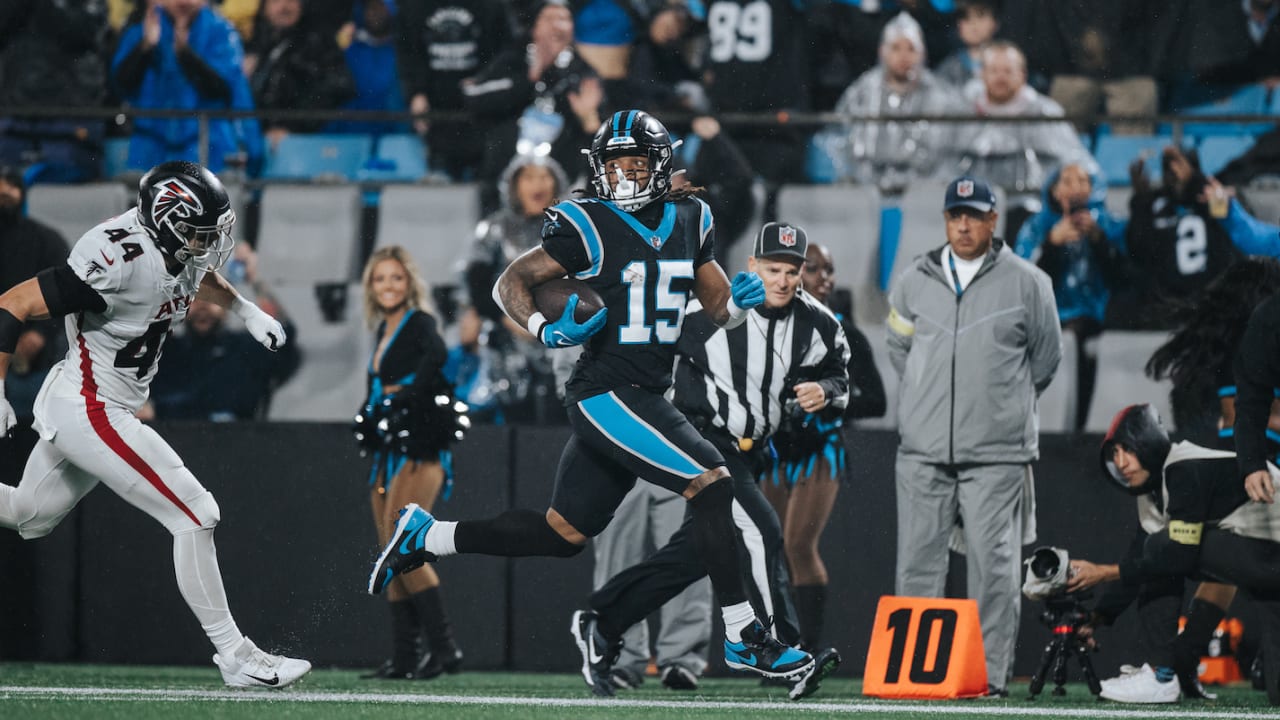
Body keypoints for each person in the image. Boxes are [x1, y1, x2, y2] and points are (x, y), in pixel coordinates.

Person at [366, 109, 818, 691]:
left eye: (636, 163)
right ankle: (742, 634)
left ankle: (428, 537)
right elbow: (512, 282)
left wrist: (740, 305)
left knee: (562, 535)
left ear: (660, 165)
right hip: (605, 388)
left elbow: (716, 310)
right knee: (714, 483)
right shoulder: (588, 222)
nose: (626, 176)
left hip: (646, 389)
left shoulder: (691, 216)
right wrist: (541, 327)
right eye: (614, 164)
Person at [0, 160, 310, 688]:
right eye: (198, 233)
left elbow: (196, 275)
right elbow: (14, 302)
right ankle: (237, 656)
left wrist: (246, 311)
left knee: (31, 514)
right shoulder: (116, 257)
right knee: (196, 512)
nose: (208, 244)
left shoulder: (176, 247)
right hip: (91, 405)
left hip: (98, 401)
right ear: (166, 222)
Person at [582, 223, 852, 700]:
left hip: (754, 451)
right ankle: (781, 652)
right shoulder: (707, 311)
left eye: (793, 270)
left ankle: (604, 620)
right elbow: (642, 347)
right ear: (752, 267)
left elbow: (841, 376)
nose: (784, 280)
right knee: (762, 530)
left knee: (698, 554)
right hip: (703, 441)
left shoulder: (820, 323)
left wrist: (824, 390)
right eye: (774, 269)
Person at [886, 175, 1062, 696]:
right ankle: (915, 675)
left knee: (995, 569)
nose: (963, 224)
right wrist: (928, 398)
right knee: (917, 565)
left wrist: (998, 407)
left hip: (997, 453)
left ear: (993, 221)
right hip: (922, 450)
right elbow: (899, 349)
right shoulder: (913, 280)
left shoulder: (1029, 282)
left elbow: (1045, 362)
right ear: (946, 220)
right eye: (955, 215)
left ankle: (989, 678)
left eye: (974, 215)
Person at [1067, 404, 1280, 705]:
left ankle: (1161, 674)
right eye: (1114, 454)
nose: (1121, 462)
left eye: (1127, 448)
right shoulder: (1153, 490)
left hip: (1271, 556)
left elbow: (1172, 557)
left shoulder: (1183, 468)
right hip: (1267, 572)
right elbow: (1137, 559)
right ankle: (1182, 662)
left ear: (1148, 440)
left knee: (1165, 549)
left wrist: (1101, 572)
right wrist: (1097, 618)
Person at [760, 240, 885, 653]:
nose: (823, 279)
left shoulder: (844, 331)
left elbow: (877, 400)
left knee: (798, 543)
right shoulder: (770, 326)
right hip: (777, 450)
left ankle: (808, 648)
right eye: (813, 269)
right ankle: (781, 645)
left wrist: (828, 400)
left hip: (820, 448)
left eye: (827, 271)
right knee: (771, 545)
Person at [355, 245, 464, 680]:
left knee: (405, 546)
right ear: (370, 287)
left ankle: (444, 649)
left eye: (396, 278)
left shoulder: (421, 322)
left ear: (409, 284)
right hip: (389, 452)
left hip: (419, 449)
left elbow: (438, 356)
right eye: (380, 278)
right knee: (389, 548)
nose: (388, 286)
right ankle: (403, 658)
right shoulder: (382, 329)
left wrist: (410, 398)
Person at [1014, 162, 1128, 430]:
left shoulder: (1110, 224)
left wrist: (1099, 240)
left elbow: (1126, 278)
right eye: (1067, 181)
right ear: (1054, 191)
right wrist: (1052, 245)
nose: (1076, 187)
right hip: (1046, 319)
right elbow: (1021, 281)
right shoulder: (1037, 227)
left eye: (1083, 180)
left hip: (1097, 322)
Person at [462, 0, 603, 214]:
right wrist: (528, 80)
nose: (557, 26)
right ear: (534, 27)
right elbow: (474, 98)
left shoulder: (582, 71)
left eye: (564, 19)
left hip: (561, 181)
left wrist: (589, 118)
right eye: (549, 19)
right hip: (505, 175)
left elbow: (600, 125)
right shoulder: (514, 59)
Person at [952, 41, 1099, 240]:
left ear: (1022, 75)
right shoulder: (962, 112)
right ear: (982, 74)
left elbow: (1075, 161)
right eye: (994, 70)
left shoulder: (1044, 112)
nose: (1001, 77)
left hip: (1032, 212)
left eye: (1008, 71)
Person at [111, 0, 261, 173]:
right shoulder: (140, 32)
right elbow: (122, 85)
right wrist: (146, 46)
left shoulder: (221, 32)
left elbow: (223, 89)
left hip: (209, 150)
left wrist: (185, 54)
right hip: (150, 150)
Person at [829, 11, 964, 192]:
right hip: (867, 194)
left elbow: (953, 156)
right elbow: (839, 141)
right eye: (896, 48)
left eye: (911, 48)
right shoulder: (862, 91)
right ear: (882, 51)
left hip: (925, 197)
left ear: (922, 53)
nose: (904, 56)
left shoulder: (942, 97)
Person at [395, 0, 511, 181]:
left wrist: (484, 80)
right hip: (437, 112)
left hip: (481, 112)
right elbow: (407, 52)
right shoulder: (414, 6)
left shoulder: (491, 5)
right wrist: (415, 93)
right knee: (442, 188)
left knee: (485, 185)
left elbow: (504, 50)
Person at [148, 295, 300, 421]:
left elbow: (282, 335)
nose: (203, 306)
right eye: (194, 298)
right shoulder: (166, 353)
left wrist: (254, 280)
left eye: (212, 298)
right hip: (173, 443)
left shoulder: (244, 350)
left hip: (236, 445)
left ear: (226, 308)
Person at [0, 167, 70, 423]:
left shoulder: (46, 240)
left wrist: (40, 335)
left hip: (37, 352)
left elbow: (67, 294)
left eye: (9, 190)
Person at [244, 0, 356, 143]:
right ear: (264, 8)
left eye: (292, 0)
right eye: (275, 1)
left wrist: (292, 128)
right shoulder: (261, 48)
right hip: (262, 142)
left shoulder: (318, 42)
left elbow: (338, 87)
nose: (284, 7)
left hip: (306, 145)